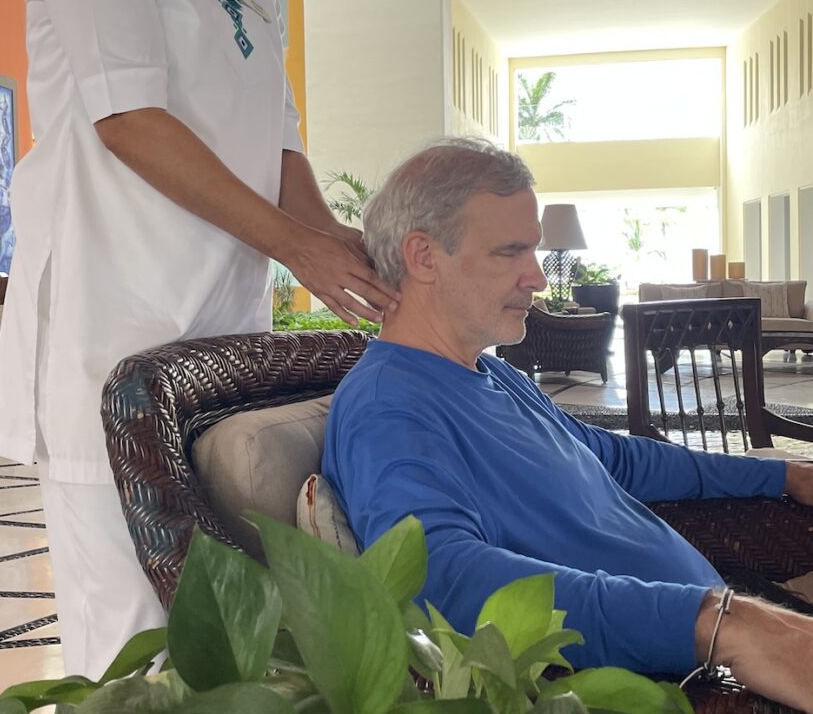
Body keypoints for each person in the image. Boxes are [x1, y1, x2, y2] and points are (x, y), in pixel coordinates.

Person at [0, 0, 397, 679]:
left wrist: (344, 249)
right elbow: (130, 119)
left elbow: (282, 146)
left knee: (221, 606)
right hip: (109, 317)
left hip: (217, 330)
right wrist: (299, 246)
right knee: (130, 628)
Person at [323, 137, 813, 713]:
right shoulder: (390, 407)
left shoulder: (492, 375)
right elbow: (438, 578)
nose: (537, 278)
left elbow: (615, 458)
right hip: (684, 679)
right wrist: (716, 625)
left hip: (730, 623)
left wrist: (780, 475)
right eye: (511, 252)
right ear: (424, 256)